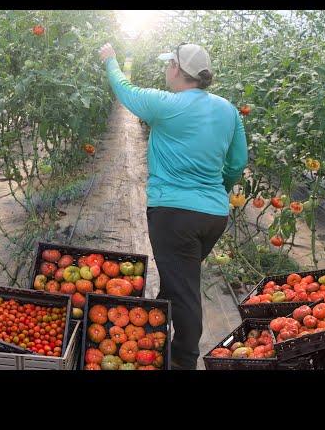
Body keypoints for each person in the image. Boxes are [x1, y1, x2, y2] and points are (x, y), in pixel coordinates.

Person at [99, 42, 248, 370]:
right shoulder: (227, 110)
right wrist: (216, 191)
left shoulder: (166, 105)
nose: (166, 69)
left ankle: (183, 360)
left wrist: (110, 60)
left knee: (184, 293)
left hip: (173, 216)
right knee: (177, 278)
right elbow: (238, 162)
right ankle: (151, 326)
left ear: (178, 70)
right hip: (213, 215)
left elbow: (125, 90)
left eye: (170, 64)